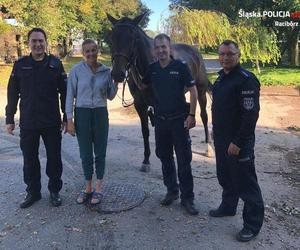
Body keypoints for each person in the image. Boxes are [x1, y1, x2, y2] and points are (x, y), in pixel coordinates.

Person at [5, 28, 67, 208]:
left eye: (41, 41)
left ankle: (54, 191)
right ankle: (33, 192)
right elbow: (12, 93)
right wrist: (9, 118)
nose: (38, 44)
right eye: (34, 41)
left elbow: (64, 93)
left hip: (51, 121)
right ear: (28, 43)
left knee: (54, 159)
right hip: (29, 122)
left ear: (46, 42)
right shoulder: (20, 65)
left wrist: (66, 116)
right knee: (29, 160)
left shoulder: (56, 64)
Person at [210, 40, 264, 242]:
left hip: (238, 142)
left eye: (230, 54)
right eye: (222, 54)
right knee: (225, 176)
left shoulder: (246, 80)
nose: (225, 58)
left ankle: (252, 225)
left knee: (246, 184)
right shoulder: (221, 79)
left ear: (238, 55)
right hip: (222, 139)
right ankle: (228, 206)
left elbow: (250, 115)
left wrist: (239, 142)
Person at [143, 34, 199, 215]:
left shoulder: (180, 67)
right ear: (154, 50)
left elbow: (193, 90)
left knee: (184, 160)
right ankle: (172, 191)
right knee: (164, 157)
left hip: (179, 121)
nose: (160, 50)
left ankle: (187, 199)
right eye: (157, 47)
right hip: (160, 122)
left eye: (163, 47)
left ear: (170, 49)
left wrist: (191, 114)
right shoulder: (152, 69)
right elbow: (142, 86)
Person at [66, 39, 118, 205]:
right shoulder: (76, 71)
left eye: (93, 50)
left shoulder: (105, 71)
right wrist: (69, 120)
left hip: (100, 114)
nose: (91, 54)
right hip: (82, 113)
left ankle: (99, 187)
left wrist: (116, 80)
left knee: (100, 152)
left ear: (98, 51)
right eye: (87, 51)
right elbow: (69, 96)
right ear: (83, 53)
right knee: (85, 153)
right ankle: (88, 187)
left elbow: (110, 96)